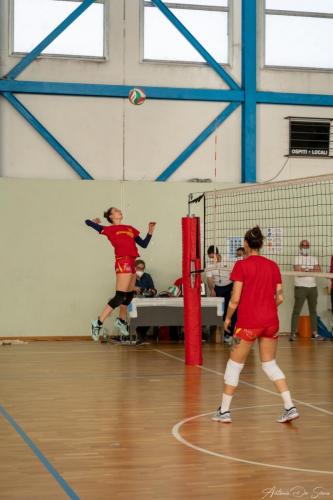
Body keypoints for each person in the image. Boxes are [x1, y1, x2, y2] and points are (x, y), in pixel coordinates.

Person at [212, 226, 299, 424]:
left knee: (233, 366)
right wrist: (266, 305)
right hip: (271, 322)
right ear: (261, 244)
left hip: (248, 323)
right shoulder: (273, 266)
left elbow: (234, 299)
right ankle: (289, 406)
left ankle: (224, 412)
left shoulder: (241, 265)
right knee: (269, 364)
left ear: (245, 244)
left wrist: (227, 318)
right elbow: (280, 297)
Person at [85, 207, 156, 340]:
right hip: (123, 261)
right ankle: (98, 323)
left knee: (129, 296)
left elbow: (144, 244)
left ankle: (121, 321)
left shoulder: (130, 228)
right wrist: (93, 221)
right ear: (111, 216)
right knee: (119, 297)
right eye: (116, 211)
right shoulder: (109, 229)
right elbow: (87, 222)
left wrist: (150, 231)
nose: (119, 212)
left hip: (132, 261)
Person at [289, 240, 322, 341]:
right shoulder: (297, 258)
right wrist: (311, 270)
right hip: (300, 287)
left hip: (313, 287)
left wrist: (304, 270)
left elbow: (318, 271)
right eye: (304, 245)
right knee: (296, 311)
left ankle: (315, 334)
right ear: (300, 247)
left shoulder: (314, 258)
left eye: (307, 245)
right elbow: (298, 272)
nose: (306, 247)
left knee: (313, 311)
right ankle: (293, 334)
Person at [206, 245, 235, 342]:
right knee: (219, 312)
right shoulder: (209, 265)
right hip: (218, 288)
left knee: (230, 310)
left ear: (217, 254)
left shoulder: (228, 261)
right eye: (210, 258)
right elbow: (209, 279)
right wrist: (212, 290)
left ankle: (229, 334)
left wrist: (233, 290)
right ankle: (220, 335)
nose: (211, 259)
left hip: (229, 286)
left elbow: (234, 276)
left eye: (212, 257)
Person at [134, 259, 157, 344]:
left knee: (152, 313)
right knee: (139, 314)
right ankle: (141, 335)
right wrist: (134, 289)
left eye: (142, 269)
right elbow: (125, 289)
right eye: (139, 268)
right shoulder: (130, 276)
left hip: (145, 301)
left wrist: (153, 291)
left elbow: (153, 289)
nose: (140, 270)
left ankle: (141, 333)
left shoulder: (147, 276)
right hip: (133, 302)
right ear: (134, 268)